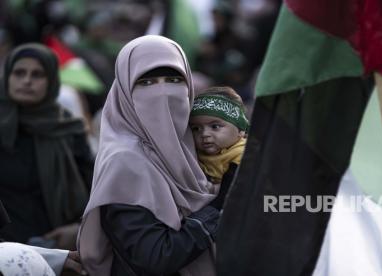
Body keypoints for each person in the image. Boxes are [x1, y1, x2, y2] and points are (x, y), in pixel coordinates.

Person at [78, 35, 230, 276]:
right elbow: (154, 256)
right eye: (146, 82)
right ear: (125, 91)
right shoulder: (124, 162)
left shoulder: (197, 150)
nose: (162, 92)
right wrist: (217, 207)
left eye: (173, 79)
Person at [0, 43, 93, 250]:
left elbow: (94, 187)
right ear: (7, 76)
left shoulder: (69, 128)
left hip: (56, 247)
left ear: (51, 81)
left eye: (37, 74)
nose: (27, 81)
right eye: (19, 72)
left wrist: (80, 228)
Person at [189, 86, 248, 184]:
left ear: (241, 130)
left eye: (215, 126)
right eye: (196, 128)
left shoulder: (245, 157)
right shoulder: (193, 157)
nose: (204, 134)